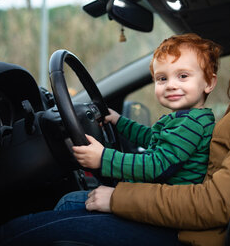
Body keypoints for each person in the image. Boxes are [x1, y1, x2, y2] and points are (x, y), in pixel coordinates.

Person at [0, 0, 230, 245]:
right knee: (62, 208)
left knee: (26, 233)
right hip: (192, 224)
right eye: (163, 78)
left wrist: (118, 197)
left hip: (195, 233)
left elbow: (219, 202)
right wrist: (118, 125)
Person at [72, 33, 220, 186]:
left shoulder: (191, 123)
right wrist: (119, 121)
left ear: (209, 82)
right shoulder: (187, 119)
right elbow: (152, 138)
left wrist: (104, 158)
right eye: (162, 78)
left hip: (163, 203)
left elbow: (156, 166)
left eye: (183, 76)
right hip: (155, 197)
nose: (170, 85)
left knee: (69, 202)